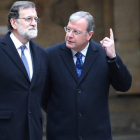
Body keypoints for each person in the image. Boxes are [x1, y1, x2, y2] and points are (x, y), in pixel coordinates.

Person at [42, 11, 132, 140]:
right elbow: (43, 95)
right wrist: (60, 113)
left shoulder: (104, 54)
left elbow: (124, 86)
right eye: (68, 29)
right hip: (61, 134)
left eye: (76, 32)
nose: (69, 35)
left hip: (97, 134)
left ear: (89, 35)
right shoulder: (50, 55)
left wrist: (113, 58)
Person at [0, 1, 48, 140]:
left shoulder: (41, 54)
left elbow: (43, 93)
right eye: (28, 19)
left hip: (34, 131)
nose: (34, 23)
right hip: (5, 131)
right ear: (14, 23)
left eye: (35, 19)